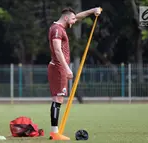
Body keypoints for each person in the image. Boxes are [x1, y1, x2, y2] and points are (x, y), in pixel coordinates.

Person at [48, 7, 102, 140]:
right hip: (58, 68)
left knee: (58, 98)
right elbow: (57, 50)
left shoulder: (61, 26)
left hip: (59, 67)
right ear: (66, 18)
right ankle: (55, 133)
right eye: (72, 20)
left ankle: (54, 132)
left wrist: (93, 11)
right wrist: (66, 68)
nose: (74, 22)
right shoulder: (57, 29)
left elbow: (78, 17)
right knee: (58, 98)